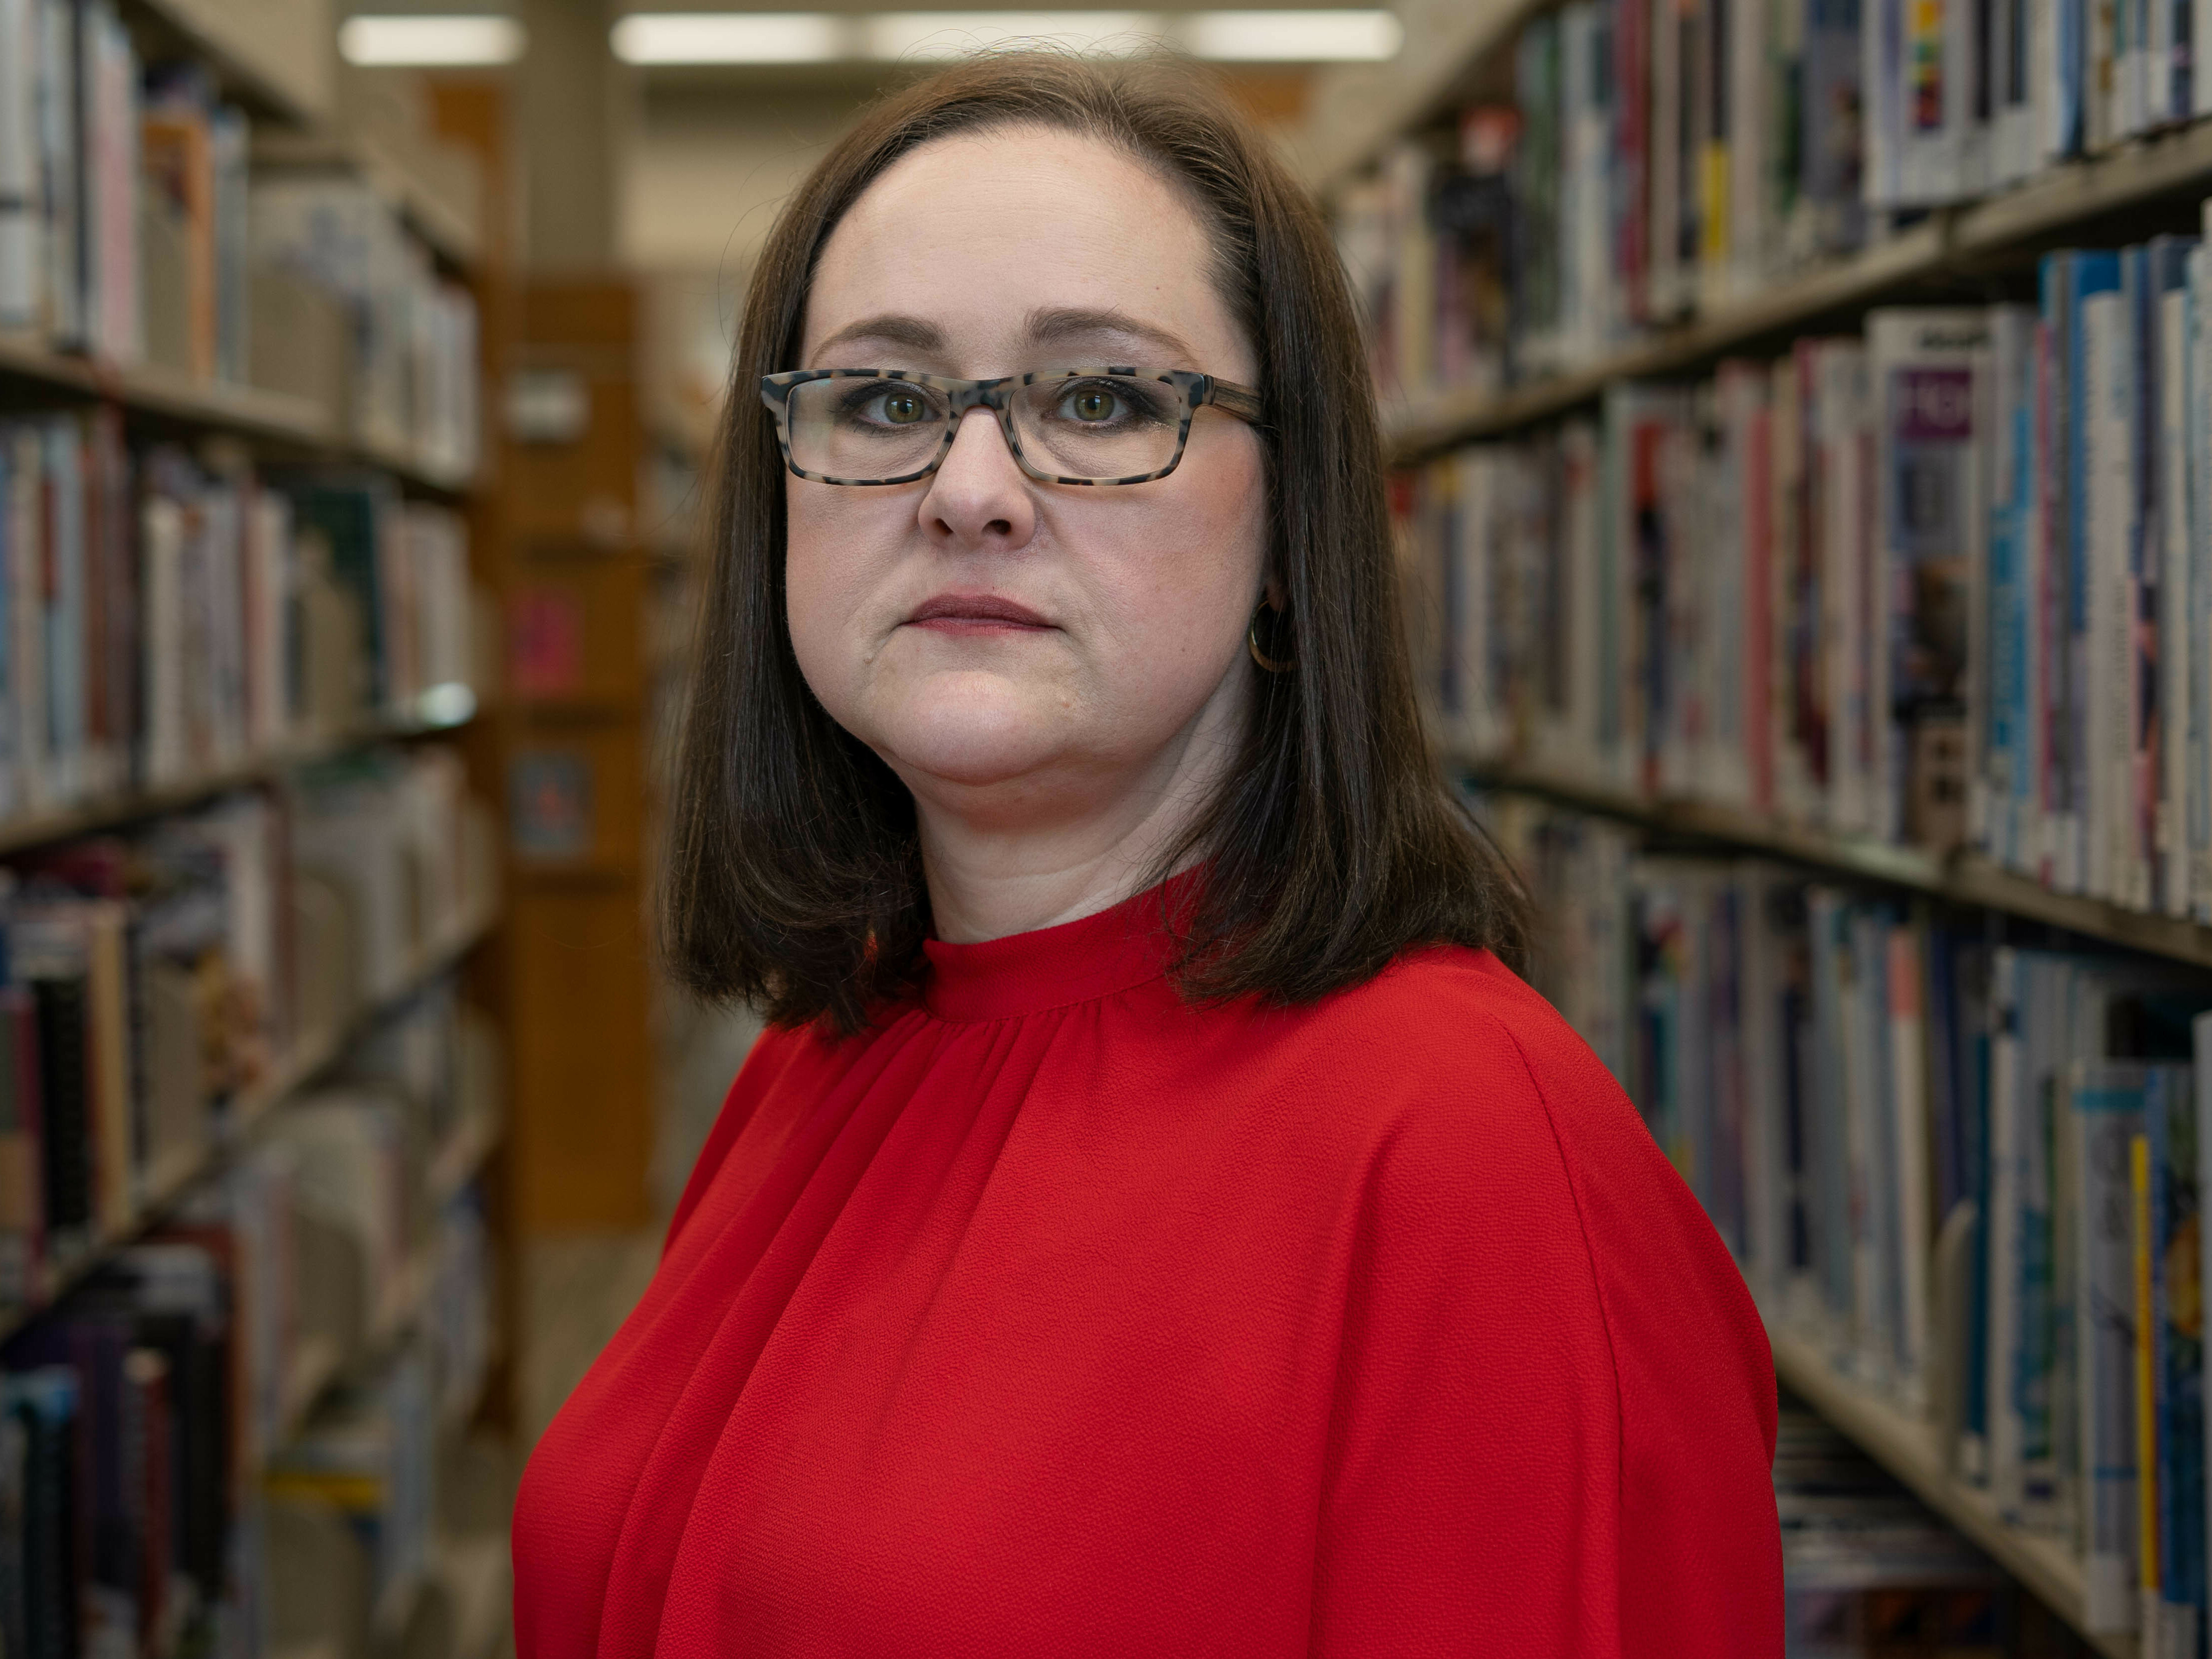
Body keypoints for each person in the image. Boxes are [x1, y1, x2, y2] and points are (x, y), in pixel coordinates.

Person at [511, 51, 1781, 1657]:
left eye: (1102, 400)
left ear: (1289, 525)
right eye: (884, 400)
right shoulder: (818, 1052)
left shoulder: (1466, 1160)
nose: (970, 489)